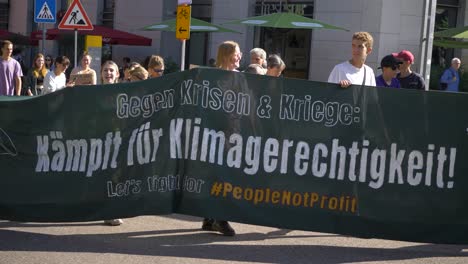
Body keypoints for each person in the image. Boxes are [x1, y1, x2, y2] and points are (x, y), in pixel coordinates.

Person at [202, 40, 240, 237]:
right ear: (226, 55)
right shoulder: (213, 77)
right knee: (220, 174)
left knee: (223, 174)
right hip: (215, 132)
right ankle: (219, 217)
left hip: (232, 132)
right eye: (237, 54)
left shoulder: (239, 78)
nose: (239, 58)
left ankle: (210, 216)